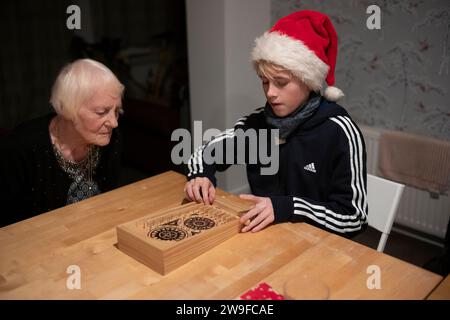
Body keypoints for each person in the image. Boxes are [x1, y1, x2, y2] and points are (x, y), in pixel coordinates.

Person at [184, 10, 368, 237]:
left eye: (280, 83)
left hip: (320, 248)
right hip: (266, 240)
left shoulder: (339, 132)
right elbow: (204, 153)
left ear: (308, 81)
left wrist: (288, 207)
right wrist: (199, 175)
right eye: (264, 82)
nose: (270, 93)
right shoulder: (257, 124)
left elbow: (354, 219)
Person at [0, 58, 124, 227]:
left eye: (117, 111)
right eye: (102, 112)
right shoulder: (22, 148)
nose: (114, 122)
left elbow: (109, 204)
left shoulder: (111, 138)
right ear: (67, 110)